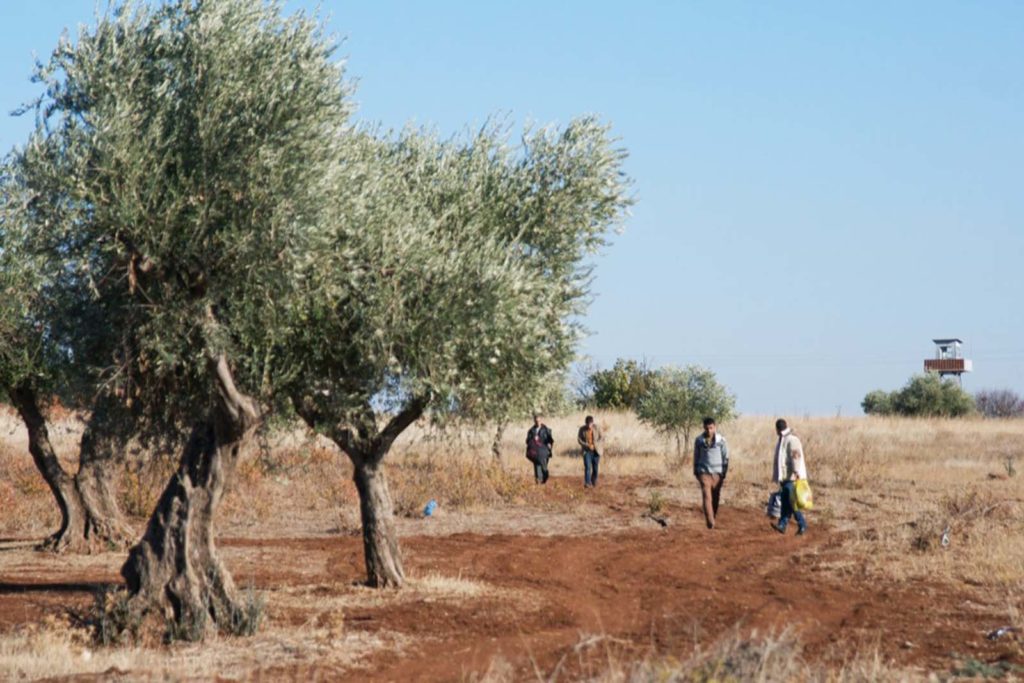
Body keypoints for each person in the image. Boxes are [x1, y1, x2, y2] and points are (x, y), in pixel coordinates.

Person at [771, 418, 808, 536]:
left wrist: (797, 472)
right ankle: (782, 525)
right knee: (786, 501)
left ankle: (801, 524)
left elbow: (795, 456)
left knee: (792, 503)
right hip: (786, 477)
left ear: (777, 429)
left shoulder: (791, 440)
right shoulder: (784, 439)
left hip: (791, 477)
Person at [693, 416, 728, 529]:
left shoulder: (721, 440)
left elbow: (725, 457)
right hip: (704, 473)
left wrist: (723, 473)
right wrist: (696, 470)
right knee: (707, 496)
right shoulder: (699, 440)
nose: (709, 430)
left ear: (715, 427)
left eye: (711, 428)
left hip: (717, 474)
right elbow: (696, 456)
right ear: (704, 427)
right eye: (707, 428)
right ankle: (710, 522)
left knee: (715, 497)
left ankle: (713, 517)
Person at [525, 414, 554, 484]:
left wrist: (549, 444)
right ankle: (538, 481)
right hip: (535, 452)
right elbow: (527, 441)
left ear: (541, 420)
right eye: (536, 421)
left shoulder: (546, 430)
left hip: (544, 452)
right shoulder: (531, 431)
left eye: (538, 420)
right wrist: (532, 440)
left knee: (544, 468)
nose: (537, 422)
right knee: (537, 466)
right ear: (534, 421)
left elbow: (551, 440)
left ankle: (545, 477)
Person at [577, 415, 601, 488]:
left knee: (595, 467)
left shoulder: (597, 428)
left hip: (596, 450)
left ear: (592, 423)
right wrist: (587, 445)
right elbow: (579, 439)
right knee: (587, 466)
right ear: (586, 423)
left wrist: (596, 444)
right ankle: (587, 483)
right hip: (586, 451)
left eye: (590, 424)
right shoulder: (582, 429)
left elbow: (602, 437)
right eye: (587, 424)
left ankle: (594, 480)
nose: (589, 425)